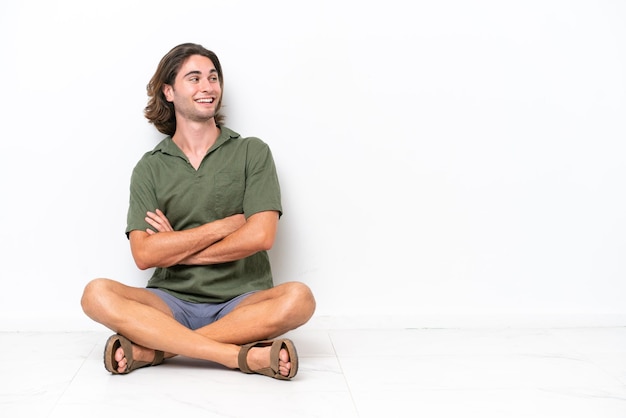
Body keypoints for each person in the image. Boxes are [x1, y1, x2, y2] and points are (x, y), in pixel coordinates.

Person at [81, 42, 316, 380]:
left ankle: (154, 350)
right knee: (96, 294)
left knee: (300, 299)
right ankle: (238, 356)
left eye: (213, 78)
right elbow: (144, 254)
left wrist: (175, 247)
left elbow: (261, 235)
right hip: (169, 301)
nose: (208, 88)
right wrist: (225, 226)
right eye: (194, 78)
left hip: (242, 301)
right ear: (169, 91)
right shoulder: (150, 168)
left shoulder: (252, 151)